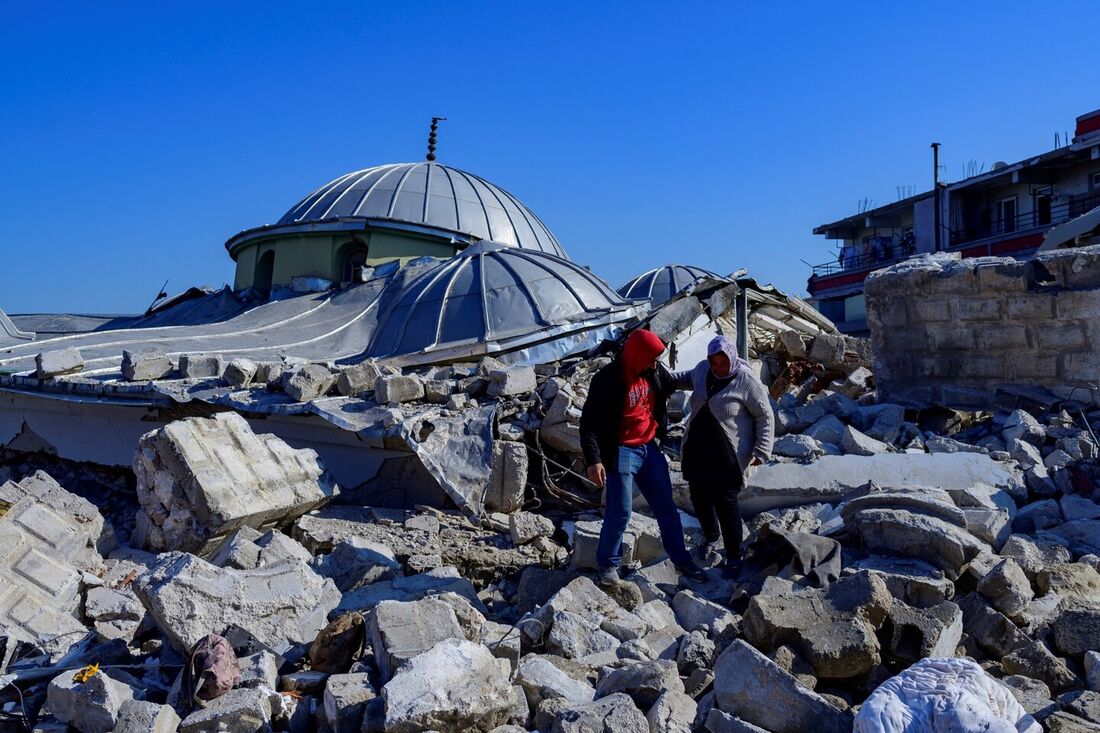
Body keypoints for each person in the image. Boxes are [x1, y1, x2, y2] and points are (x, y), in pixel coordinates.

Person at [580, 328, 708, 586]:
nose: (655, 363)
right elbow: (589, 423)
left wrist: (710, 376)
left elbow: (672, 382)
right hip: (622, 449)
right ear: (638, 355)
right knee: (620, 511)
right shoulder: (607, 379)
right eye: (651, 358)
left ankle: (681, 560)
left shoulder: (654, 372)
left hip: (649, 448)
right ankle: (607, 564)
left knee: (666, 508)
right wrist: (594, 460)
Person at [675, 335, 774, 578]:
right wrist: (658, 375)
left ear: (731, 357)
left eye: (723, 363)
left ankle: (733, 555)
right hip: (698, 447)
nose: (718, 368)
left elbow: (765, 416)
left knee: (726, 503)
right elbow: (684, 378)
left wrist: (762, 450)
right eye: (714, 363)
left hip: (728, 453)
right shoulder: (702, 370)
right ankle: (710, 535)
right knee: (698, 496)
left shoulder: (746, 380)